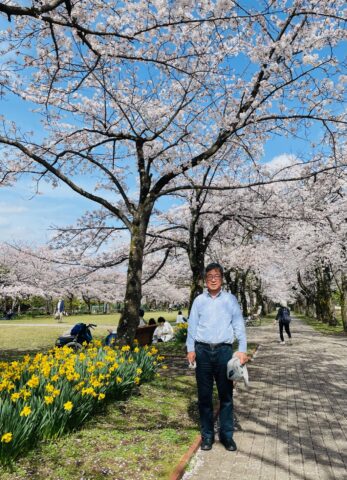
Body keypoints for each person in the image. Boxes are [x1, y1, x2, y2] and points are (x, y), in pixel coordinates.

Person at [186, 262, 247, 452]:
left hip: (223, 352)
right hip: (202, 351)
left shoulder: (230, 300)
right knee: (204, 397)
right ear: (205, 279)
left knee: (226, 396)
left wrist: (242, 349)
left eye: (217, 276)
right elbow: (192, 326)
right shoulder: (199, 301)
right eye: (210, 276)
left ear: (222, 279)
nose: (213, 279)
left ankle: (227, 436)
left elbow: (239, 325)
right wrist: (190, 348)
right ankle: (207, 436)